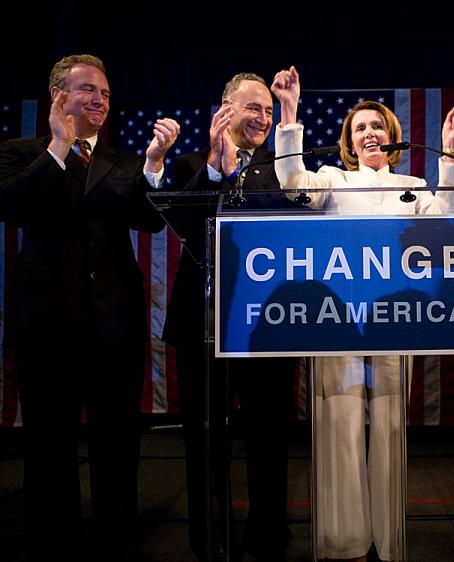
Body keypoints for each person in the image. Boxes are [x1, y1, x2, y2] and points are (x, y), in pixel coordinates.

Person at [271, 65, 454, 562]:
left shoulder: (412, 180)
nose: (370, 133)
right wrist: (289, 113)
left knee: (388, 427)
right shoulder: (332, 179)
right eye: (360, 128)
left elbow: (448, 221)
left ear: (392, 135)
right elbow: (295, 184)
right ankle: (343, 542)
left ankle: (389, 542)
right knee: (337, 422)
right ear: (349, 142)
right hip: (336, 323)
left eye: (377, 126)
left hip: (394, 319)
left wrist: (451, 155)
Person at [0, 54, 180, 562]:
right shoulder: (21, 152)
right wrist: (58, 146)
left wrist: (154, 165)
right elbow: (12, 206)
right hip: (46, 329)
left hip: (114, 327)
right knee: (49, 447)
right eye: (87, 91)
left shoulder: (123, 162)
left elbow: (148, 222)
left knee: (117, 447)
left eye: (104, 92)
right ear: (58, 95)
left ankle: (116, 542)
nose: (99, 100)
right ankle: (51, 543)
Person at [162, 73, 299, 562]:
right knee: (205, 443)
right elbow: (181, 224)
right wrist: (218, 175)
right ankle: (210, 539)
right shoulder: (189, 165)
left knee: (269, 443)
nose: (262, 118)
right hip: (202, 324)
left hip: (271, 325)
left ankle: (268, 540)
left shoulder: (285, 168)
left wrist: (288, 116)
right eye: (253, 108)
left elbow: (297, 215)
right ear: (225, 109)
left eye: (268, 110)